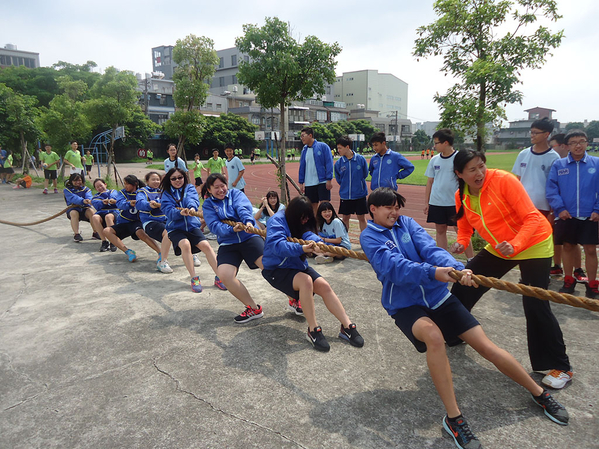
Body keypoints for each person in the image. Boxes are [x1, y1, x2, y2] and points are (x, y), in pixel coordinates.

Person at [360, 187, 569, 449]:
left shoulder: (408, 223)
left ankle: (539, 393)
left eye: (396, 206)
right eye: (387, 207)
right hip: (404, 304)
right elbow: (393, 268)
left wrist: (459, 268)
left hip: (438, 297)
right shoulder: (369, 237)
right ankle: (454, 419)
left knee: (484, 345)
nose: (394, 212)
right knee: (434, 337)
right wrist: (434, 272)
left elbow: (430, 249)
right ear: (373, 210)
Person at [450, 150, 573, 390]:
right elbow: (465, 227)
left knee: (535, 302)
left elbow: (532, 218)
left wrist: (516, 244)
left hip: (533, 243)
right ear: (460, 174)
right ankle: (455, 331)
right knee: (466, 283)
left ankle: (560, 366)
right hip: (499, 247)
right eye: (472, 169)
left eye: (482, 166)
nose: (480, 173)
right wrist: (462, 243)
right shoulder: (461, 195)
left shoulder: (504, 180)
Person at [261, 195, 364, 352]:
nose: (304, 221)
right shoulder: (277, 221)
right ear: (294, 214)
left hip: (295, 265)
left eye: (307, 218)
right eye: (302, 218)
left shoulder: (303, 221)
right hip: (276, 269)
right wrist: (302, 249)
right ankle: (313, 329)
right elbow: (278, 247)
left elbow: (308, 234)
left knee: (324, 286)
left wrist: (319, 243)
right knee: (306, 281)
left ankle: (346, 326)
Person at [202, 173, 266, 322]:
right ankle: (253, 309)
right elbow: (214, 226)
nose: (221, 190)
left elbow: (243, 209)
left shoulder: (236, 194)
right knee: (224, 275)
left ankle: (293, 299)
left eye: (222, 186)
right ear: (209, 189)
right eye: (216, 187)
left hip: (249, 237)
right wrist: (231, 230)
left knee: (270, 267)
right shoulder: (208, 204)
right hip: (228, 242)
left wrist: (248, 222)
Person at [546, 129, 599, 299]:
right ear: (567, 146)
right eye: (574, 142)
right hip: (566, 215)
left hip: (590, 215)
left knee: (590, 249)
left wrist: (597, 209)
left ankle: (592, 284)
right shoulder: (559, 165)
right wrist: (560, 209)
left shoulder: (596, 163)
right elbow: (552, 189)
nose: (578, 145)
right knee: (568, 246)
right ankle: (568, 280)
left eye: (582, 141)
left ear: (587, 143)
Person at [160, 167, 226, 293]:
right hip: (175, 228)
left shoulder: (189, 188)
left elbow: (193, 200)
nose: (177, 180)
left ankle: (220, 277)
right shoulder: (166, 194)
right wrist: (180, 213)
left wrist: (190, 207)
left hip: (192, 225)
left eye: (180, 177)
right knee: (185, 245)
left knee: (206, 246)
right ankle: (194, 278)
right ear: (169, 180)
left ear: (184, 177)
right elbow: (168, 211)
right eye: (174, 178)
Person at [424, 129, 474, 258]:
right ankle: (443, 259)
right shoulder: (434, 160)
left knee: (462, 232)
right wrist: (427, 202)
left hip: (455, 202)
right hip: (437, 202)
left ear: (446, 143)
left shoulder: (459, 159)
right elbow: (430, 182)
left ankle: (471, 259)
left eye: (437, 143)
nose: (434, 146)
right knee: (440, 230)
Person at [547, 132, 583, 276]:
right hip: (556, 208)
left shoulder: (578, 165)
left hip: (574, 210)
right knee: (558, 238)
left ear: (563, 146)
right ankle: (557, 265)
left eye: (553, 146)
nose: (551, 150)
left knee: (573, 242)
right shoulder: (556, 164)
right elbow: (551, 188)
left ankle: (578, 268)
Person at [104, 175, 160, 263]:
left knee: (140, 232)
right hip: (124, 221)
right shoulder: (122, 192)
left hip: (137, 222)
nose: (125, 186)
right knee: (107, 231)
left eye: (127, 184)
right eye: (124, 184)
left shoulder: (141, 192)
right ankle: (128, 252)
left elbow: (144, 202)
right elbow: (119, 204)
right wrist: (130, 204)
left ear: (135, 184)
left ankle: (160, 253)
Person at [136, 172, 174, 273]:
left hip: (165, 220)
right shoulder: (142, 192)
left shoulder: (163, 192)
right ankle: (162, 262)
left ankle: (192, 254)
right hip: (150, 222)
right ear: (147, 181)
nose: (156, 181)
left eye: (158, 179)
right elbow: (139, 203)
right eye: (153, 179)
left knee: (182, 231)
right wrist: (149, 205)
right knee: (168, 232)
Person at [334, 135, 369, 232]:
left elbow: (365, 174)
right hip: (345, 195)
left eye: (340, 148)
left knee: (361, 218)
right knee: (345, 218)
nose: (338, 150)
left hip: (359, 194)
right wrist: (345, 187)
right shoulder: (339, 163)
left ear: (347, 147)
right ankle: (345, 240)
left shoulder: (360, 159)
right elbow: (338, 178)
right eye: (338, 148)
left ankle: (364, 240)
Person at [298, 126, 335, 216]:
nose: (301, 138)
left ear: (310, 135)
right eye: (301, 136)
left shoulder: (323, 146)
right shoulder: (304, 150)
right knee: (312, 206)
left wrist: (329, 179)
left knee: (324, 205)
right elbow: (302, 166)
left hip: (322, 181)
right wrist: (301, 182)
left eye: (303, 135)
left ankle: (325, 227)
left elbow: (329, 163)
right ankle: (315, 227)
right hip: (309, 183)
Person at [63, 173, 95, 242]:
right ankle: (76, 234)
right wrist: (82, 200)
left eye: (79, 180)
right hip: (73, 209)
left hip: (84, 209)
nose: (78, 182)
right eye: (75, 180)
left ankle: (95, 232)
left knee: (91, 211)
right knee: (74, 213)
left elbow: (89, 196)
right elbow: (73, 198)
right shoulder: (67, 190)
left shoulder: (86, 189)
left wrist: (88, 200)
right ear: (71, 181)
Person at [90, 178, 118, 252]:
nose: (100, 188)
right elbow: (96, 204)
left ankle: (113, 241)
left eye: (101, 185)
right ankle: (104, 241)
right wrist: (102, 202)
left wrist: (110, 200)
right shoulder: (96, 197)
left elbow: (114, 197)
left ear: (105, 184)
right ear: (95, 189)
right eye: (97, 187)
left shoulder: (113, 191)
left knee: (108, 216)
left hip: (113, 212)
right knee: (95, 217)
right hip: (102, 213)